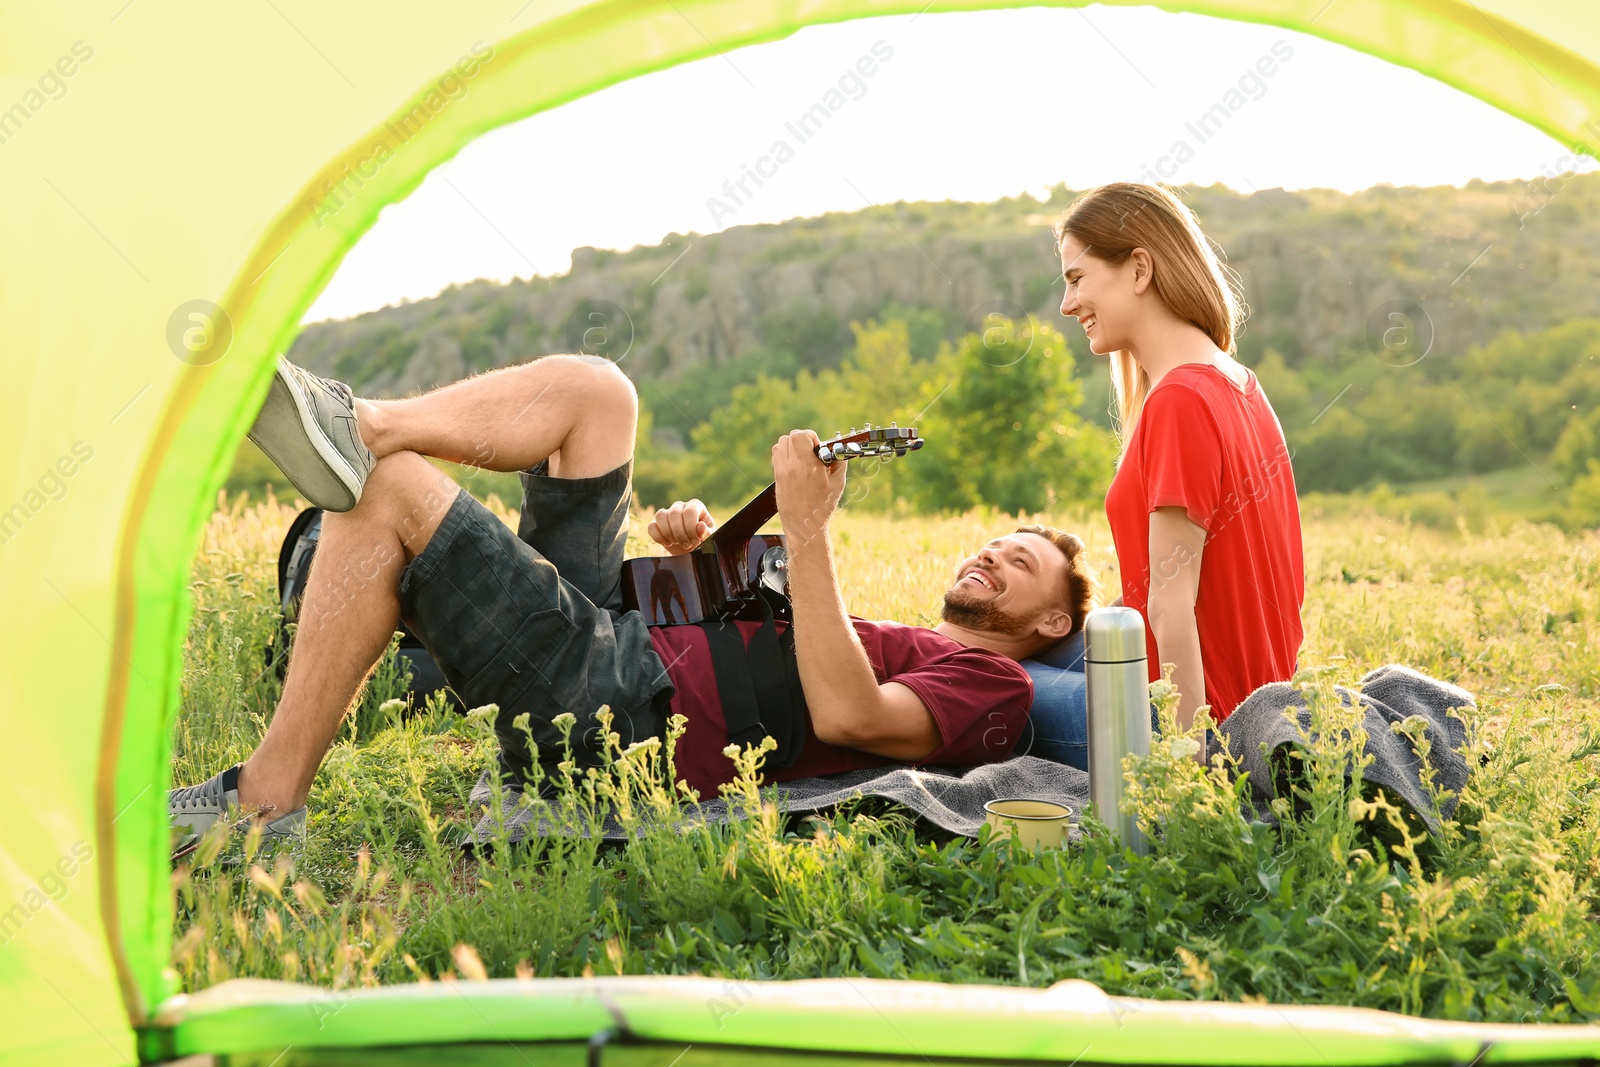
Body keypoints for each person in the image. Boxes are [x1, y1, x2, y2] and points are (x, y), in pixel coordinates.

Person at [169, 354, 1101, 855]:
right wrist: (699, 558)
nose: (991, 554)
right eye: (994, 542)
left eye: (1018, 564)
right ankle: (360, 417)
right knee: (596, 393)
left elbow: (850, 713)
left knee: (388, 493)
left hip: (623, 707)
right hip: (624, 637)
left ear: (1052, 624)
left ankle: (263, 801)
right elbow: (757, 648)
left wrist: (809, 533)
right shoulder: (889, 633)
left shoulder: (995, 684)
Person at [1024, 182, 1305, 766]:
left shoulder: (1180, 399)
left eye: (1077, 279)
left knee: (991, 684)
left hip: (1191, 710)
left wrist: (1189, 756)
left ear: (1139, 269)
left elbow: (1170, 605)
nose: (1067, 305)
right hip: (1250, 695)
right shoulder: (1238, 382)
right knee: (1010, 643)